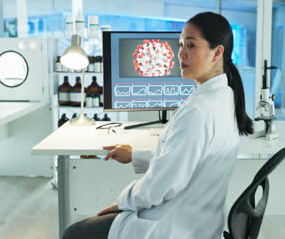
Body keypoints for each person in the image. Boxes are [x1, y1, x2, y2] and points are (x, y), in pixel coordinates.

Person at [62, 12, 254, 239]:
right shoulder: (224, 97)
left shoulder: (198, 111)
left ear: (217, 52)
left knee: (74, 234)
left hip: (174, 227)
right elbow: (184, 159)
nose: (181, 53)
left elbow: (160, 187)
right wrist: (135, 156)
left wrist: (123, 202)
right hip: (201, 221)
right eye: (181, 44)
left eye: (191, 45)